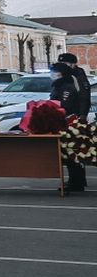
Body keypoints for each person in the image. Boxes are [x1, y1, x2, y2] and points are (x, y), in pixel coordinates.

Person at [51, 53, 89, 193]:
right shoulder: (64, 77)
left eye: (67, 63)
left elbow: (84, 98)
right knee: (68, 151)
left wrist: (82, 116)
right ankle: (74, 180)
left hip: (75, 118)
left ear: (73, 64)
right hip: (65, 118)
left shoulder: (78, 76)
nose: (64, 66)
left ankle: (78, 182)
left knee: (76, 150)